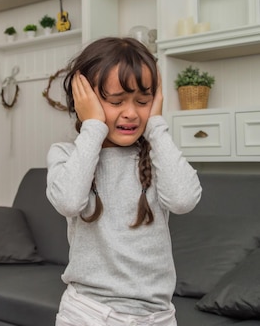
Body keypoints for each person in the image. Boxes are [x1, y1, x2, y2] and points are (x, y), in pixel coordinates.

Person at [46, 37, 202, 326]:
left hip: (158, 317)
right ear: (84, 102)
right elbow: (68, 201)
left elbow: (184, 200)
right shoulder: (67, 155)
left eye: (142, 101)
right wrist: (93, 126)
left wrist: (155, 126)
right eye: (117, 101)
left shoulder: (157, 156)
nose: (131, 112)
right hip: (88, 313)